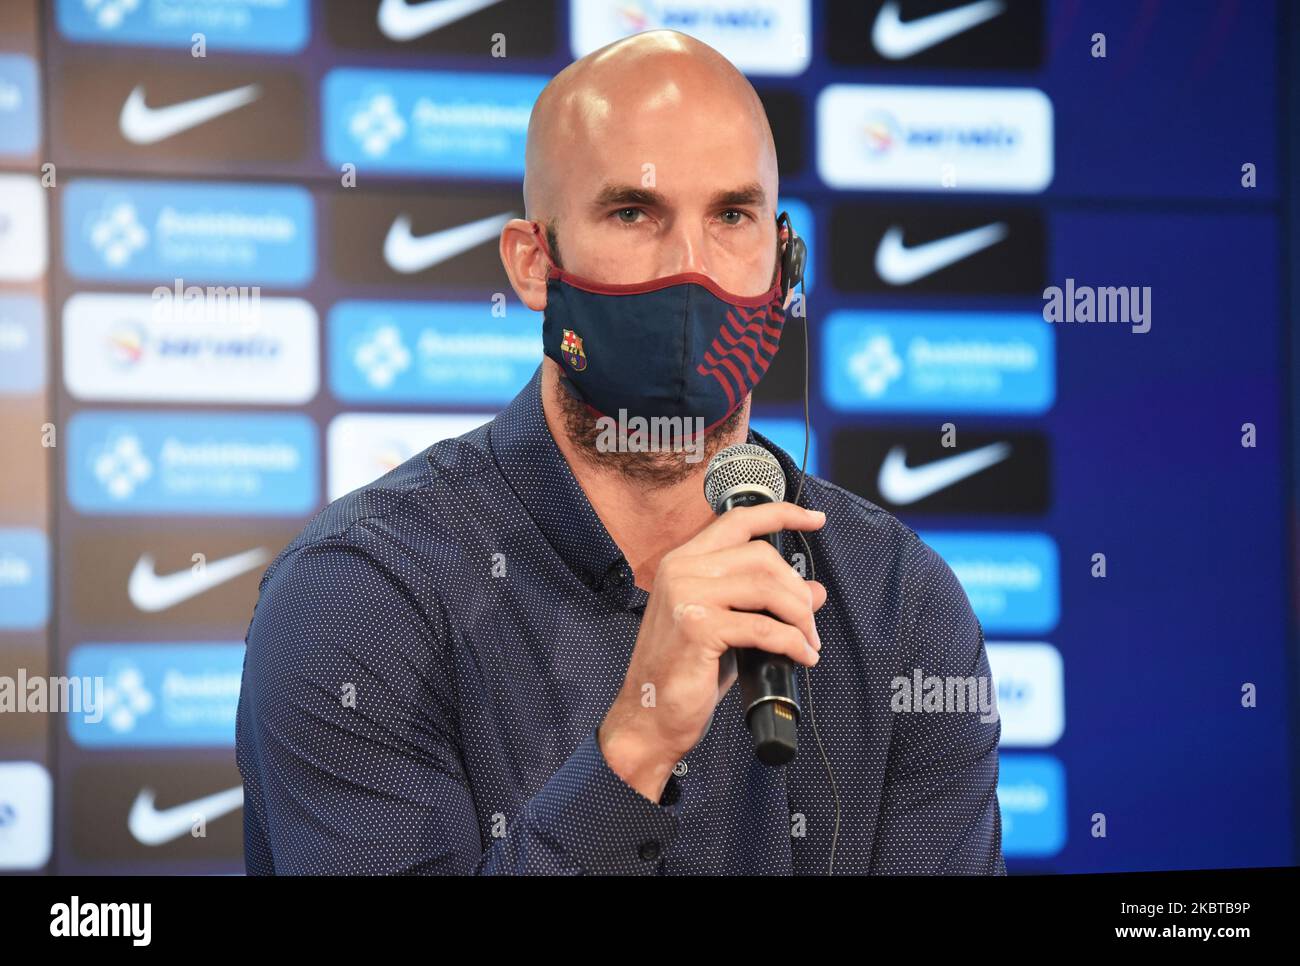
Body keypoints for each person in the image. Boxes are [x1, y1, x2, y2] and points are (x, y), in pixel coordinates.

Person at [235, 29, 1005, 875]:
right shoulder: (357, 597)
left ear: (784, 262)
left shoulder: (900, 606)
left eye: (732, 216)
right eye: (634, 213)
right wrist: (635, 749)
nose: (691, 272)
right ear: (535, 264)